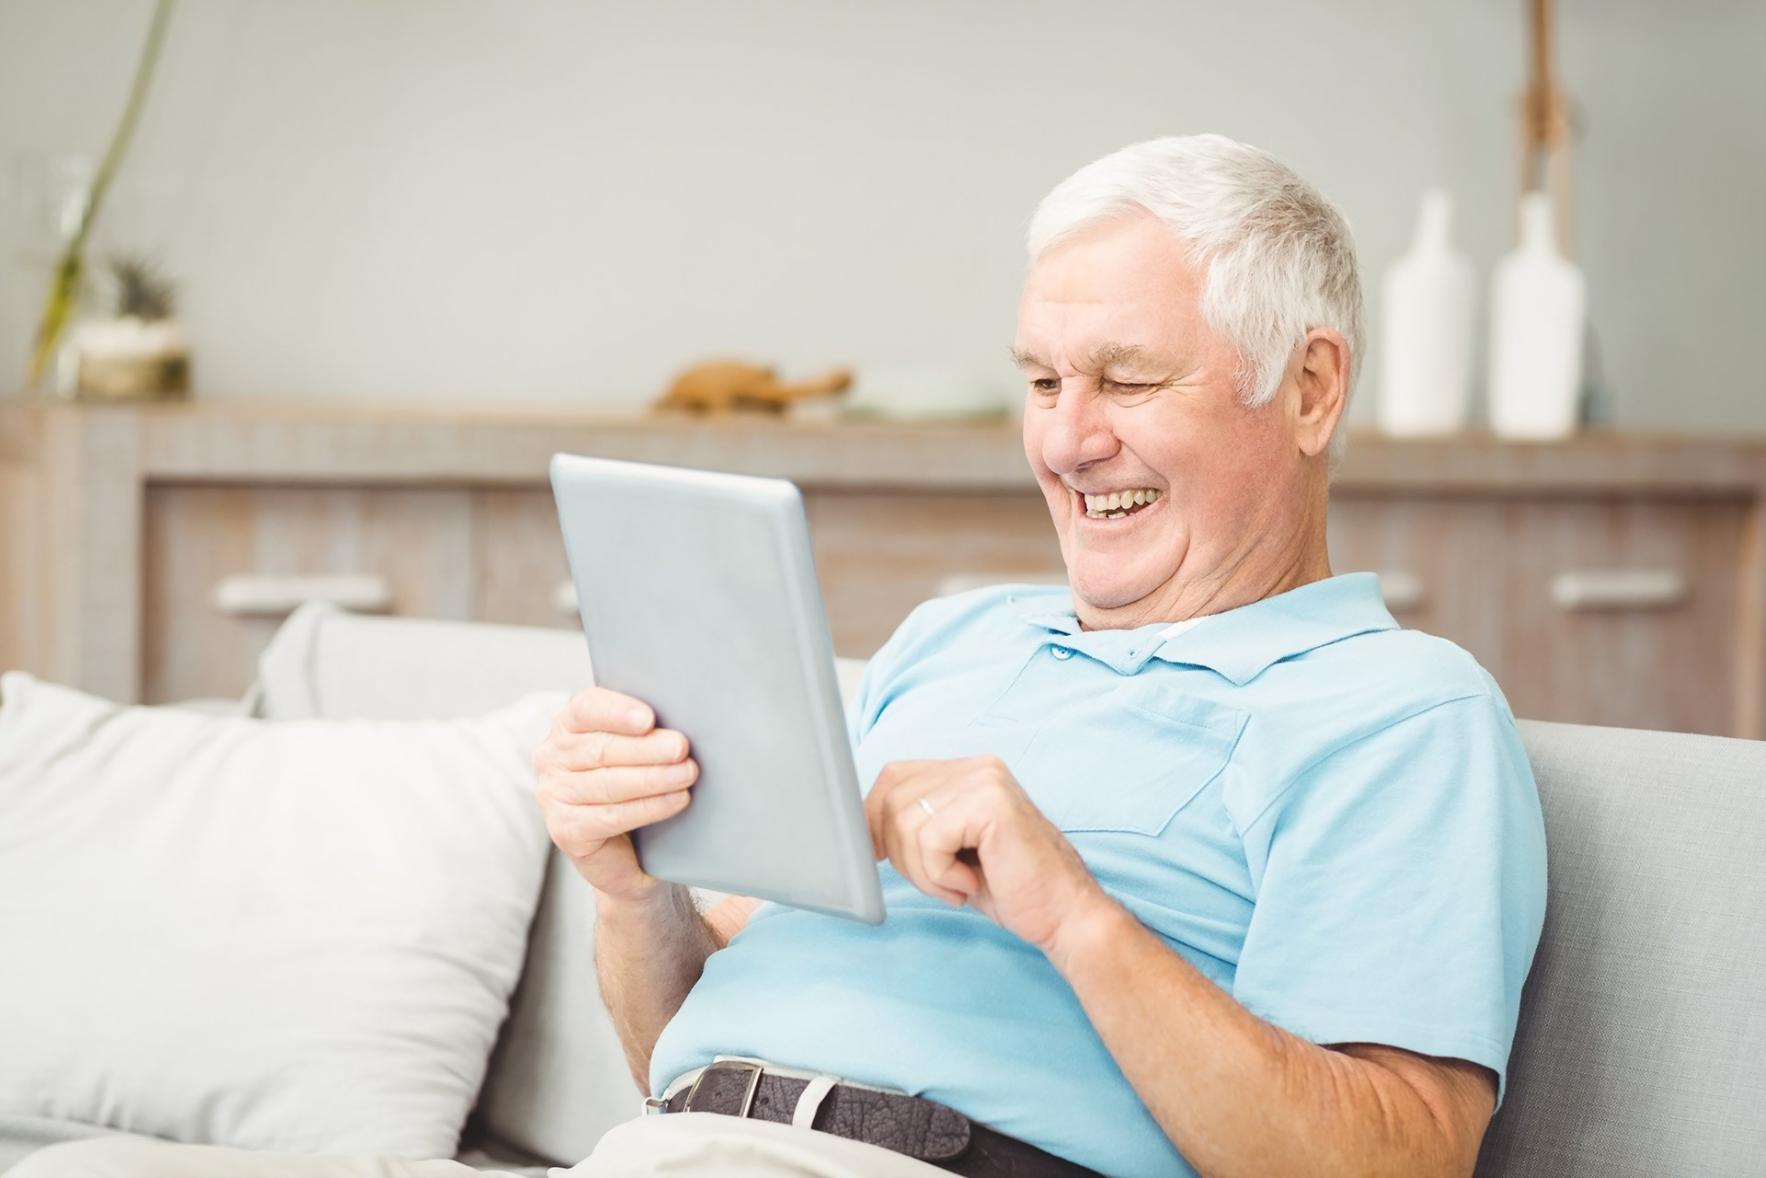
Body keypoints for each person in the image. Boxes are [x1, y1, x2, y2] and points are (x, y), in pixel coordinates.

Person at [16, 134, 1546, 1178]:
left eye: (1126, 379)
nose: (1068, 440)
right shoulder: (954, 639)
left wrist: (1071, 913)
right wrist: (632, 892)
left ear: (1310, 384)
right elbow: (707, 1037)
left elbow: (1394, 1150)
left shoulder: (1391, 712)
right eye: (1036, 379)